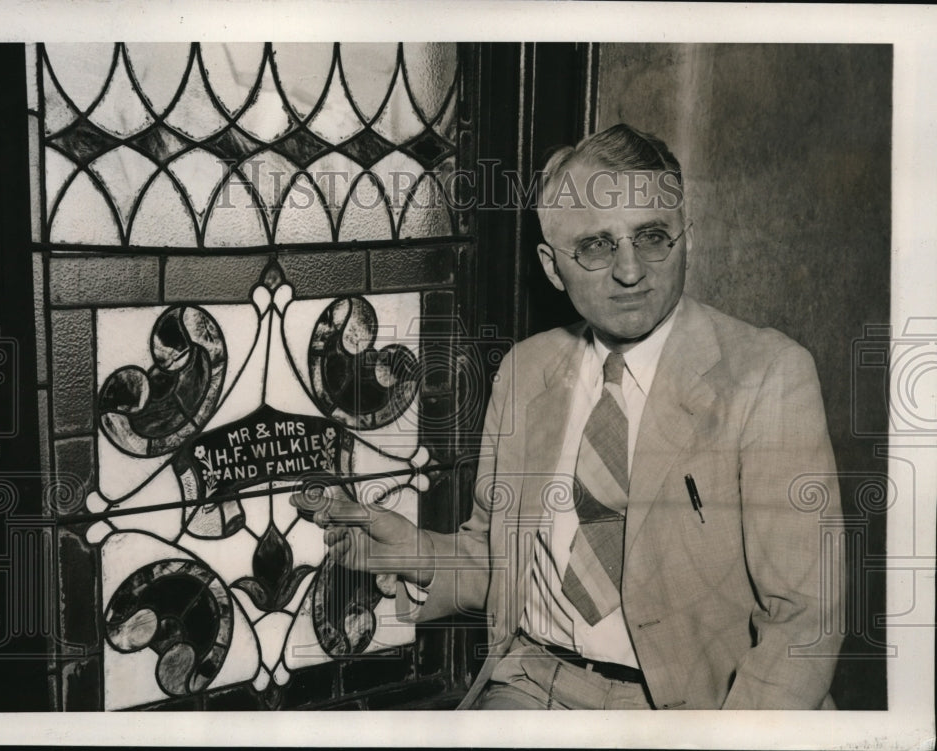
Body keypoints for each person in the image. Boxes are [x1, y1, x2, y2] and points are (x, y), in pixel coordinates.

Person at [293, 123, 844, 710]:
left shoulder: (766, 377)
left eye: (652, 237)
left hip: (683, 710)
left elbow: (805, 618)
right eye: (597, 246)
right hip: (529, 680)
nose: (630, 271)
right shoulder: (526, 372)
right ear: (553, 267)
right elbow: (502, 562)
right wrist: (415, 550)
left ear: (688, 240)